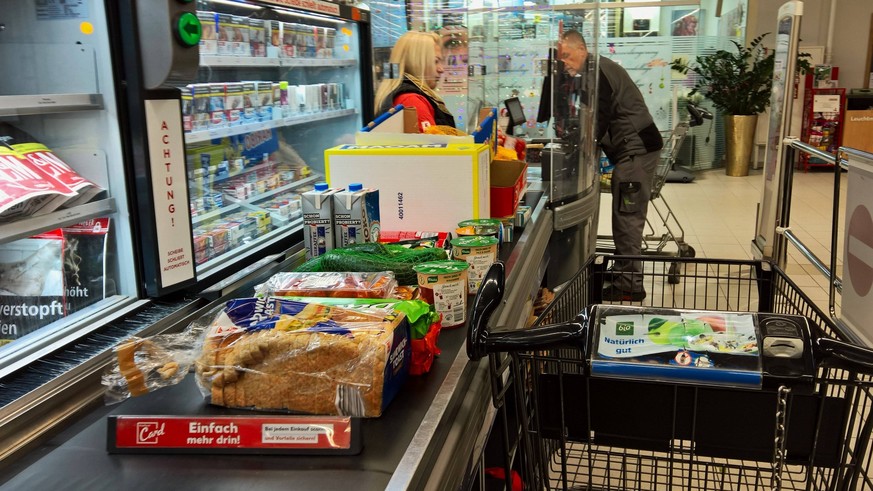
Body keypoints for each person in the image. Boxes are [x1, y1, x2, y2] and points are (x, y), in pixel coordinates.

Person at [559, 29, 663, 301]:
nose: (566, 63)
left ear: (582, 49)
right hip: (632, 149)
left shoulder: (597, 72)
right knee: (624, 216)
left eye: (568, 56)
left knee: (627, 219)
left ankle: (630, 285)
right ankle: (623, 273)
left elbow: (599, 115)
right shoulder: (593, 70)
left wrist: (583, 141)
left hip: (636, 152)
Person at [374, 31, 456, 132]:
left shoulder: (398, 92)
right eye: (435, 61)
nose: (441, 69)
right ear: (417, 63)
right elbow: (432, 144)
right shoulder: (411, 100)